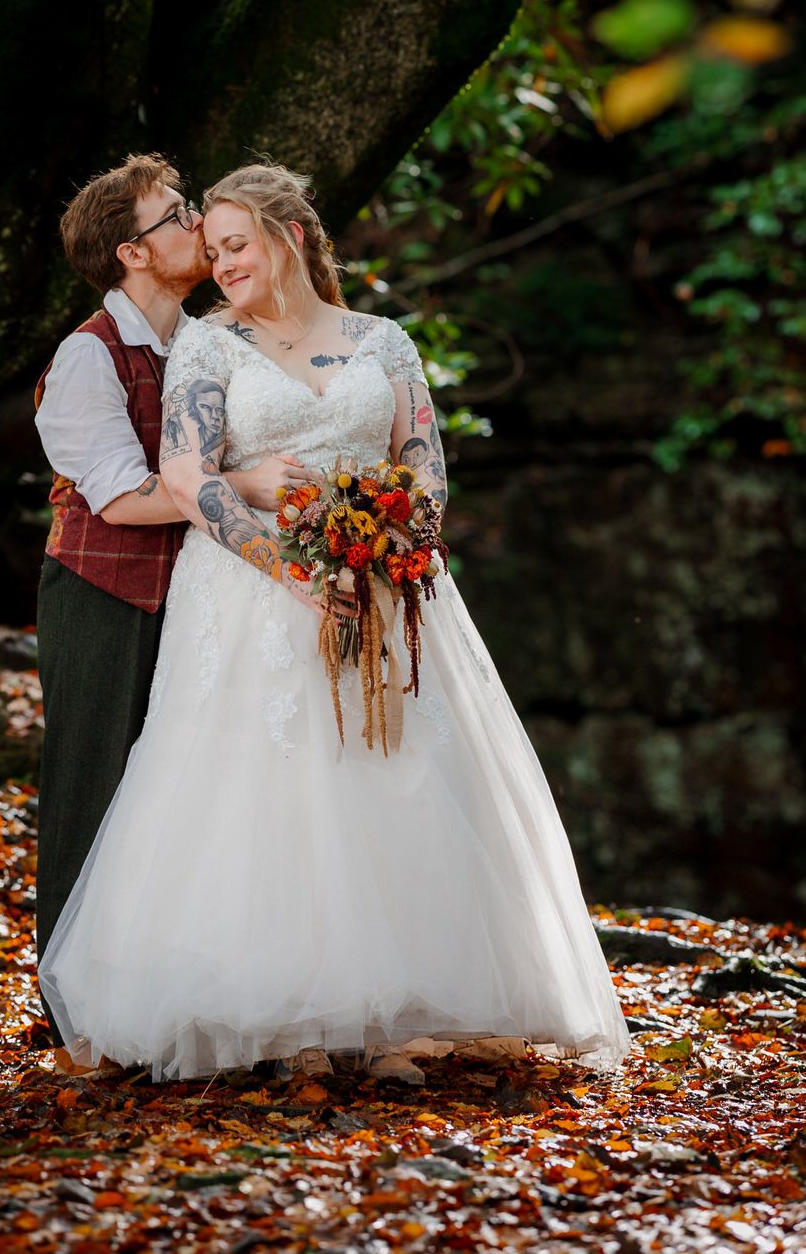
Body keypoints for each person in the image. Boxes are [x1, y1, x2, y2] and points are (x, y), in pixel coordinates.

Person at [39, 162, 630, 1085]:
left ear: (292, 239)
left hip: (384, 582)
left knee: (391, 770)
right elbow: (187, 481)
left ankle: (392, 1008)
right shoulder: (205, 347)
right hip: (249, 592)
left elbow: (421, 462)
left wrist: (399, 549)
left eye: (235, 243)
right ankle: (271, 1012)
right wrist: (295, 572)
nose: (219, 258)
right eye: (210, 242)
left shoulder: (383, 340)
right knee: (262, 784)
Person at [33, 154, 314, 1056]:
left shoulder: (204, 339)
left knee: (178, 801)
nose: (196, 225)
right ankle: (74, 1017)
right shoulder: (87, 356)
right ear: (133, 253)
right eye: (175, 216)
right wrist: (246, 486)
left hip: (203, 602)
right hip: (102, 596)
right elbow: (121, 500)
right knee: (93, 788)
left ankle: (167, 998)